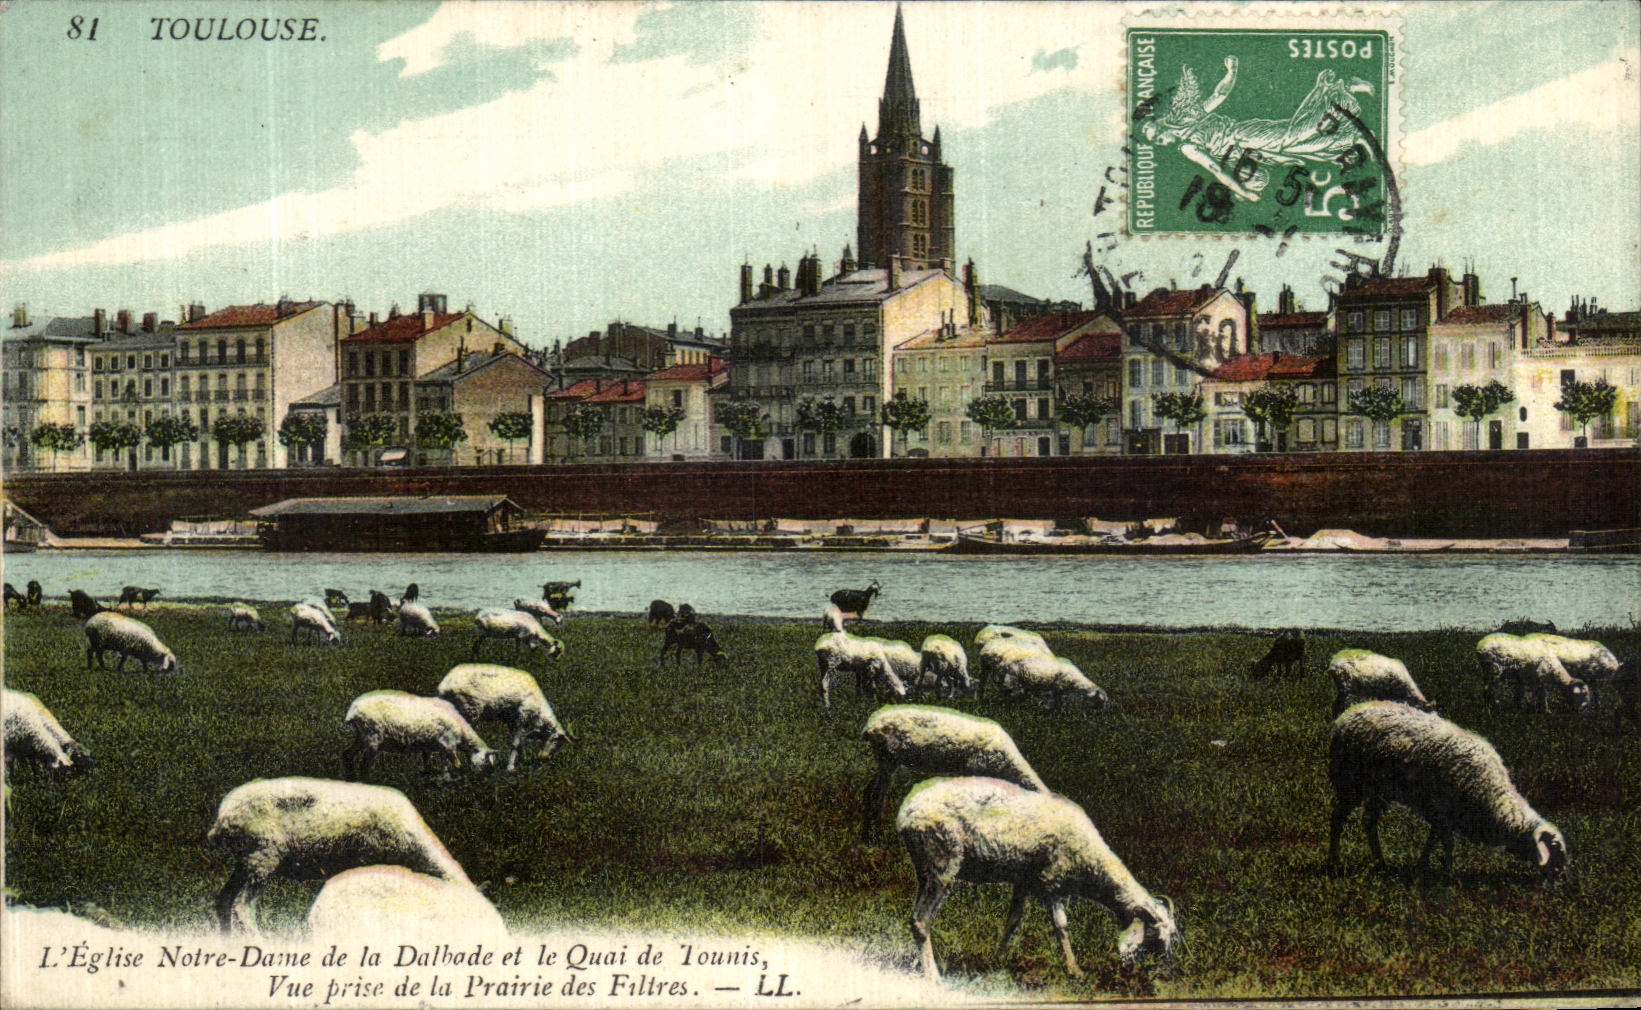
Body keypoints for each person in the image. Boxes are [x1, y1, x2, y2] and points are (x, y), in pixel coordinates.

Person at [1142, 56, 1375, 202]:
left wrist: (1231, 73)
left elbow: (1219, 96)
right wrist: (1243, 190)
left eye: (1158, 138)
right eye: (1157, 142)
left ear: (1163, 126)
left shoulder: (1188, 139)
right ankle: (1351, 135)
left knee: (1292, 136)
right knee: (1298, 148)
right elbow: (1219, 167)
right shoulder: (1189, 132)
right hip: (1247, 151)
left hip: (1243, 135)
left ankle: (1342, 91)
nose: (1162, 143)